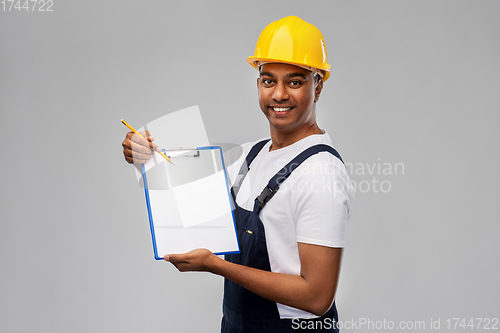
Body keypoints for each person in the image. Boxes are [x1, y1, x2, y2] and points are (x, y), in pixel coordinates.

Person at [122, 16, 354, 333]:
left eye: (295, 82)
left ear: (318, 86)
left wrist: (216, 265)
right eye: (268, 80)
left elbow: (316, 297)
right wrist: (143, 158)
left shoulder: (320, 174)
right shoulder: (250, 155)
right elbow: (186, 196)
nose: (279, 94)